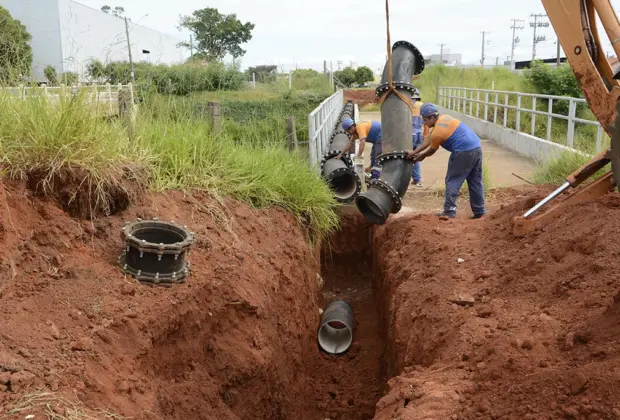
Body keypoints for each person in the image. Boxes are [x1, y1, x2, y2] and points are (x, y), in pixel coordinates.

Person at [405, 103, 486, 219]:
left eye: (425, 119)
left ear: (432, 117)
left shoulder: (438, 131)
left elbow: (432, 149)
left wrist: (420, 156)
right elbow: (429, 139)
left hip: (462, 151)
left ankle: (449, 211)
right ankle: (479, 210)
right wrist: (414, 152)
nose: (424, 123)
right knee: (475, 180)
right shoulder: (444, 119)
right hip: (476, 148)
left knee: (453, 180)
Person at [411, 90, 429, 187]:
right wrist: (425, 135)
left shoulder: (407, 105)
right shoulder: (422, 106)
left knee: (406, 156)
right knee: (416, 156)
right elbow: (426, 123)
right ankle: (417, 179)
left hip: (409, 135)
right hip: (418, 134)